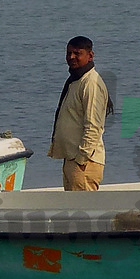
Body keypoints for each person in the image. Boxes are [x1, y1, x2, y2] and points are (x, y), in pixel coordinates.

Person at [48, 36, 110, 191]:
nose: (71, 57)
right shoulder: (76, 81)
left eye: (77, 53)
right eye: (69, 53)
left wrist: (81, 160)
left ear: (90, 56)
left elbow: (93, 126)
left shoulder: (90, 83)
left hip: (84, 163)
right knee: (73, 210)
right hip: (72, 159)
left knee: (82, 211)